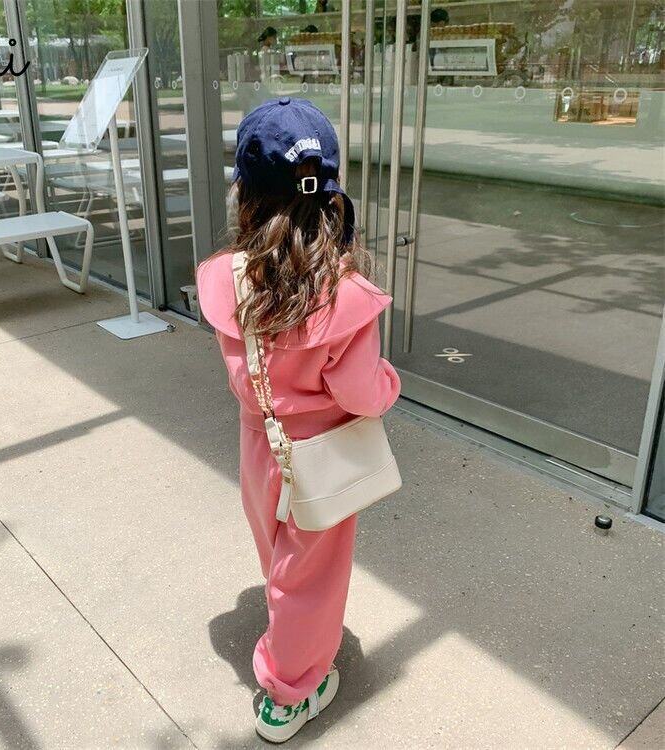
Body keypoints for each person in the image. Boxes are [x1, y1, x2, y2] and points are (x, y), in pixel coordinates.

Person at [196, 98, 401, 743]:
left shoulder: (229, 280)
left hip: (259, 445)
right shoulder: (343, 294)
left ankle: (290, 638)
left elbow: (244, 366)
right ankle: (289, 693)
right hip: (321, 455)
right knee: (310, 574)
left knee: (279, 557)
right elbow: (362, 393)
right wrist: (389, 384)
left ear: (246, 195)